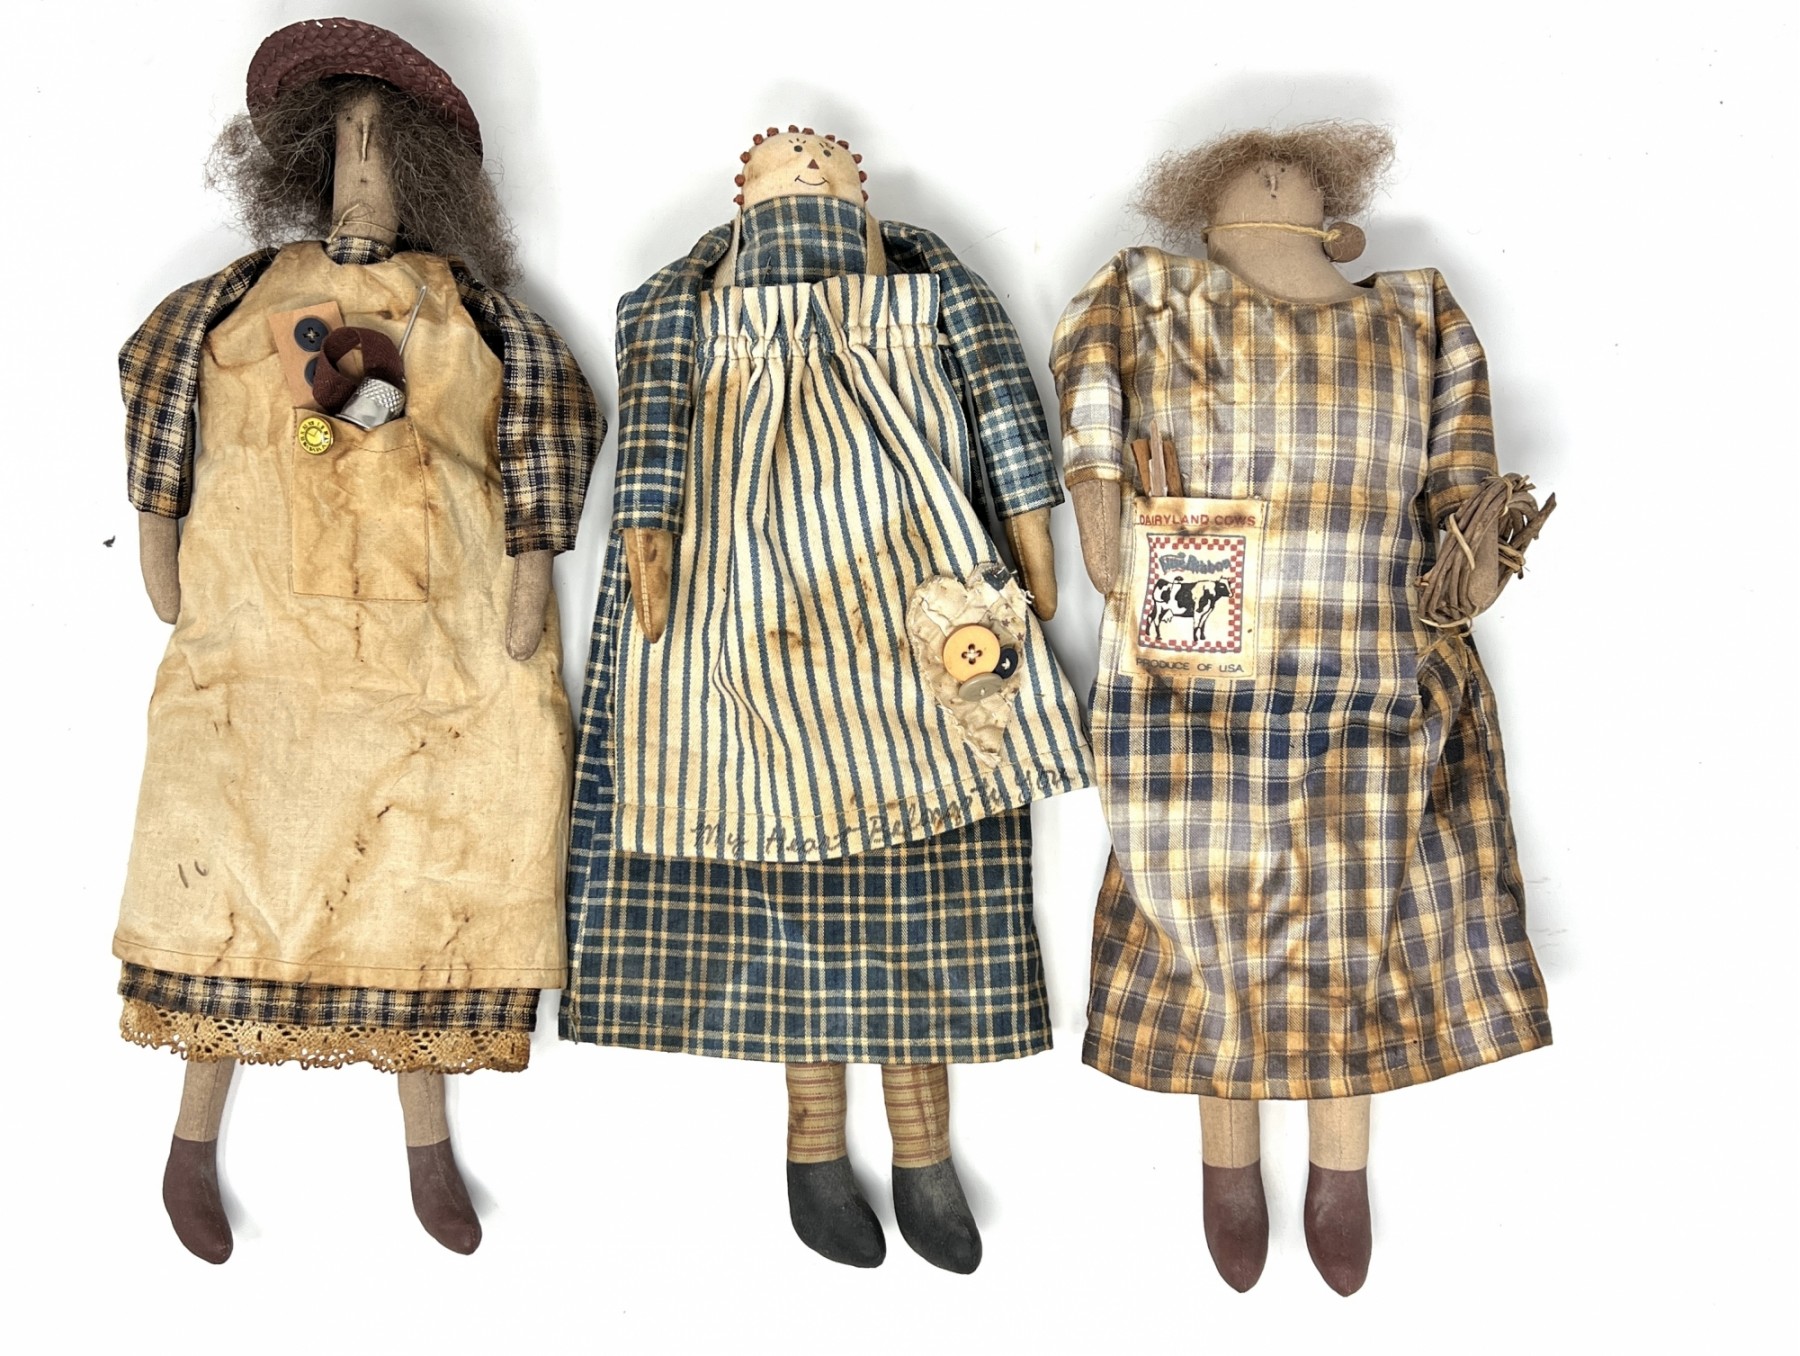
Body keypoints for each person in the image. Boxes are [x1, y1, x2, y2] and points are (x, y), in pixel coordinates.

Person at [112, 17, 602, 1262]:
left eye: (384, 149)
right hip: (257, 647)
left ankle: (427, 1143)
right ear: (303, 158)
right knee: (229, 862)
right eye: (345, 144)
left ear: (427, 173)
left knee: (428, 871)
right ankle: (188, 1141)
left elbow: (548, 411)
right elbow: (158, 377)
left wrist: (531, 559)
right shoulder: (239, 300)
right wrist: (158, 524)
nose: (363, 170)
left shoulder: (469, 311)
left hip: (442, 654)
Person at [565, 126, 1093, 1272]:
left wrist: (1027, 520)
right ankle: (813, 1142)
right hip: (739, 609)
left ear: (859, 193)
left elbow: (999, 387)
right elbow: (652, 405)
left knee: (938, 873)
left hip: (911, 576)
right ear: (743, 197)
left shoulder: (930, 274)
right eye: (786, 168)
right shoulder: (684, 297)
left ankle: (923, 1149)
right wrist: (647, 525)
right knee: (775, 876)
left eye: (826, 168)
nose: (807, 177)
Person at [1052, 121, 1554, 1294]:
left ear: (1337, 222)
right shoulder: (1148, 290)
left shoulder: (1418, 315)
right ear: (1210, 213)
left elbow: (1460, 466)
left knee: (1356, 891)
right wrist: (1102, 514)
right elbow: (1089, 391)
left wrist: (1474, 549)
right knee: (1199, 885)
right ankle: (1227, 1163)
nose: (1275, 174)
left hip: (1368, 647)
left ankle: (1342, 1167)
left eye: (1294, 175)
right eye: (1255, 174)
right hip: (1194, 637)